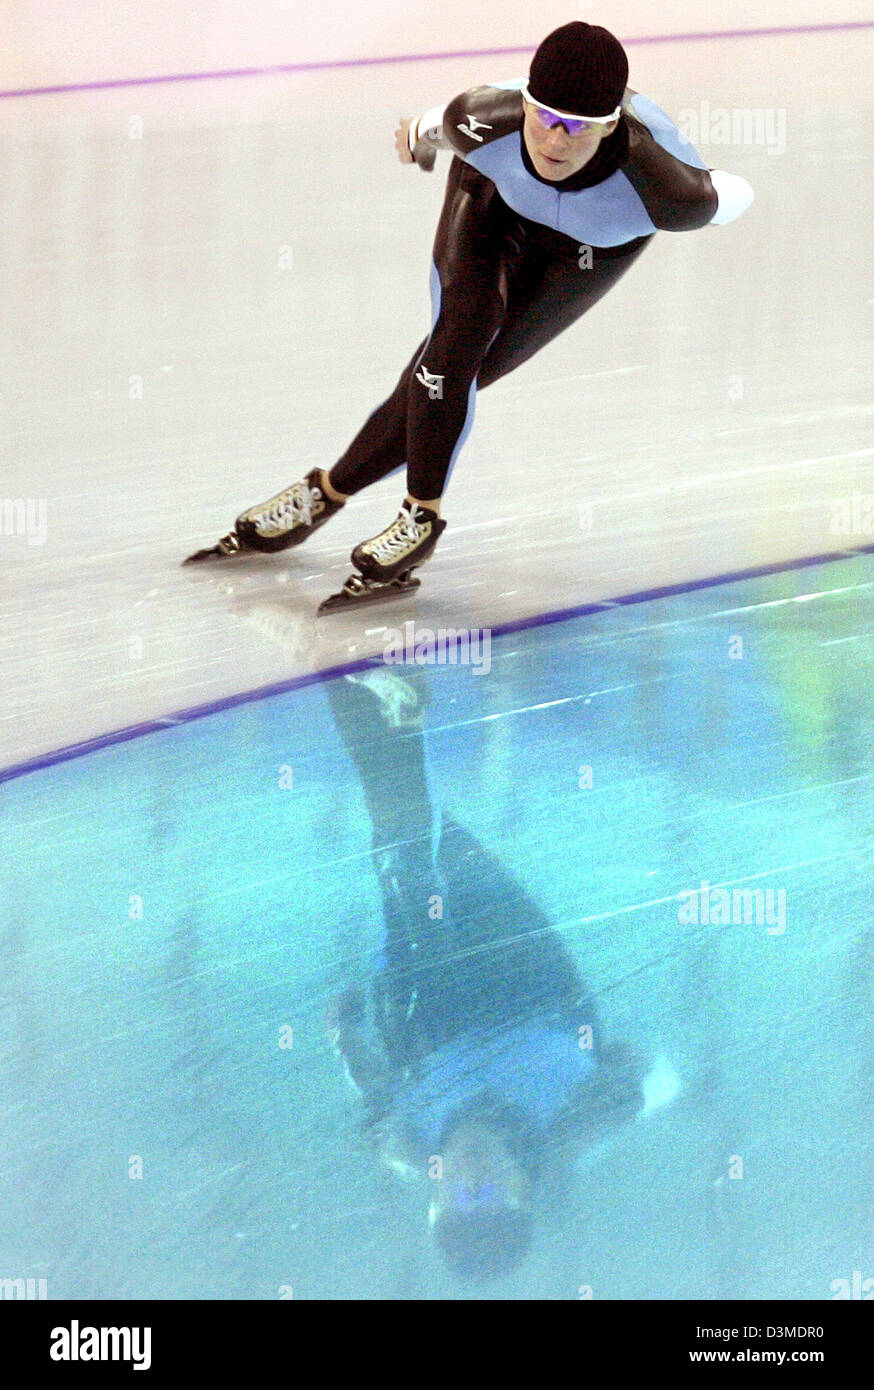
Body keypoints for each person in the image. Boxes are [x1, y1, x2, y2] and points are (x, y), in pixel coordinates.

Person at [187, 21, 753, 602]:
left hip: (590, 250)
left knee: (460, 374)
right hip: (491, 204)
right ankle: (419, 518)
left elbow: (732, 197)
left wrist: (711, 192)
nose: (555, 142)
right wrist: (418, 139)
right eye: (545, 118)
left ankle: (326, 492)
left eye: (577, 128)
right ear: (525, 104)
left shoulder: (670, 192)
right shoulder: (482, 119)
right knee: (453, 348)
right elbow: (438, 124)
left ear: (610, 125)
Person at [321, 665, 652, 1281]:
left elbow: (373, 1091)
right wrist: (629, 1074)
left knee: (407, 858)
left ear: (433, 1201)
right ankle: (365, 695)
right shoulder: (574, 1126)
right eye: (487, 1195)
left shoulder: (406, 1146)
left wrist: (345, 1038)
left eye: (453, 1197)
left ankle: (373, 700)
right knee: (423, 843)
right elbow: (639, 1076)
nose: (469, 1178)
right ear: (524, 1188)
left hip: (426, 1001)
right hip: (526, 979)